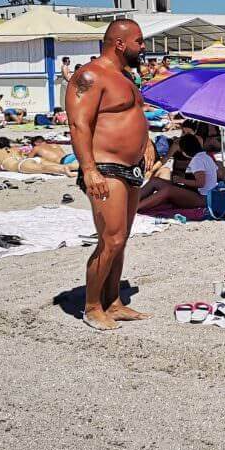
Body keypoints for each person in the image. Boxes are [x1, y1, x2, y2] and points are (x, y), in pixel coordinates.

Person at [66, 19, 154, 332]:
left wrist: (147, 143)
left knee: (122, 239)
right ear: (119, 43)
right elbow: (79, 124)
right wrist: (89, 169)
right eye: (139, 42)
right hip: (105, 166)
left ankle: (114, 302)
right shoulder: (90, 75)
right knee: (111, 239)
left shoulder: (124, 77)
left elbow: (133, 116)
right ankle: (92, 306)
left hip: (131, 167)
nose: (142, 48)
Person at [137, 134, 220, 212]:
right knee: (155, 181)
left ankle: (136, 207)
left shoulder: (197, 160)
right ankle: (132, 201)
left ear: (184, 152)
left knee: (168, 190)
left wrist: (181, 180)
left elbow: (201, 183)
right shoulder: (206, 156)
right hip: (200, 194)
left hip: (202, 198)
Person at [0, 137, 76, 175]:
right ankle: (78, 168)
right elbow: (23, 156)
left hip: (21, 165)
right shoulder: (15, 149)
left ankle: (63, 171)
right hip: (32, 160)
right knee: (61, 165)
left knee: (44, 169)